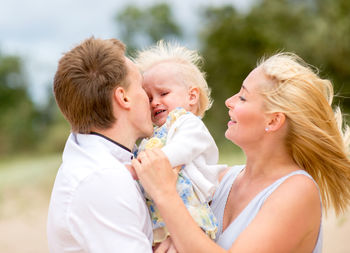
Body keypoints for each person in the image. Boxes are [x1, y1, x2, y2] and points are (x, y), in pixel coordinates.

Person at [131, 52, 350, 252]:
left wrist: (165, 195)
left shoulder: (298, 190)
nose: (229, 101)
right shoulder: (218, 181)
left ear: (273, 120)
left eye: (242, 97)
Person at [47, 37, 155, 253]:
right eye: (141, 86)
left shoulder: (95, 160)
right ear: (123, 98)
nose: (150, 98)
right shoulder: (102, 180)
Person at [133, 41, 226, 244]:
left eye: (163, 93)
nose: (155, 102)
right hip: (160, 219)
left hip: (190, 215)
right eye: (148, 98)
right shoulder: (154, 135)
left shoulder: (189, 124)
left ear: (192, 96)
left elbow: (179, 151)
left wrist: (136, 168)